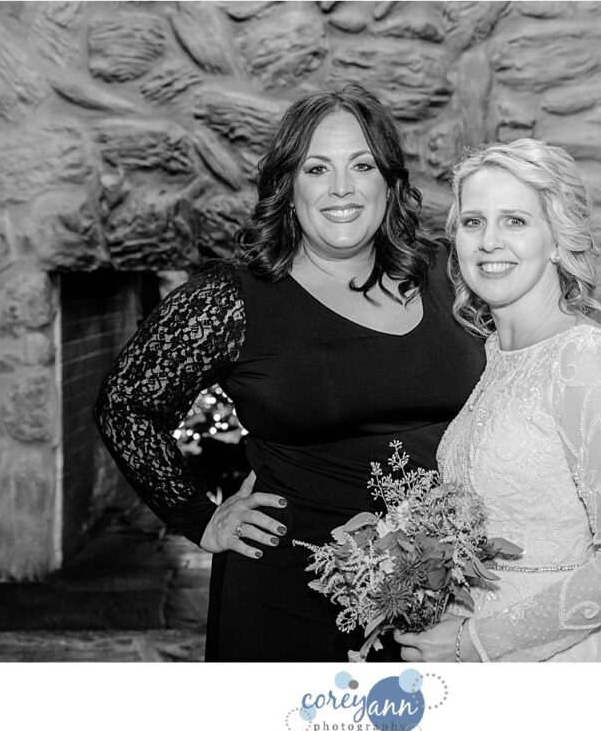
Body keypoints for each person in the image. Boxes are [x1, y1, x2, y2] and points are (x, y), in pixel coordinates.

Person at [94, 84, 486, 662]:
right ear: (288, 185)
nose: (342, 188)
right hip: (287, 593)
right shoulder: (232, 299)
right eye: (316, 168)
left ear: (389, 181)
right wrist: (200, 518)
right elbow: (124, 404)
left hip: (439, 598)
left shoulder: (450, 274)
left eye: (362, 165)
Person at [395, 139, 601, 662]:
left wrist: (475, 643)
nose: (489, 241)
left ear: (557, 241)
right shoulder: (497, 356)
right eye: (473, 222)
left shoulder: (585, 359)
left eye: (515, 221)